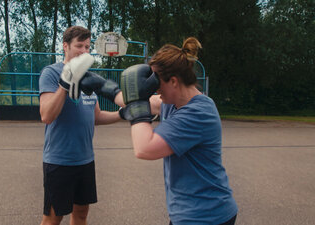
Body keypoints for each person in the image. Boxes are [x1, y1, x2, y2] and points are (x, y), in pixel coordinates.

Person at [119, 37, 238, 225]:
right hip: (187, 212)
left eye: (157, 83)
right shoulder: (172, 102)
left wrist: (135, 102)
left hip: (207, 216)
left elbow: (144, 148)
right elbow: (134, 101)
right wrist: (99, 85)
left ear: (174, 81)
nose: (155, 90)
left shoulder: (198, 112)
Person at [38, 26, 123, 225]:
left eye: (87, 47)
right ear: (65, 46)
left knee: (81, 214)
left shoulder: (88, 77)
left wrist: (122, 114)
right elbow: (47, 115)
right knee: (53, 218)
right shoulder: (51, 73)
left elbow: (97, 117)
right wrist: (64, 84)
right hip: (59, 161)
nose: (84, 51)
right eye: (79, 46)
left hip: (85, 160)